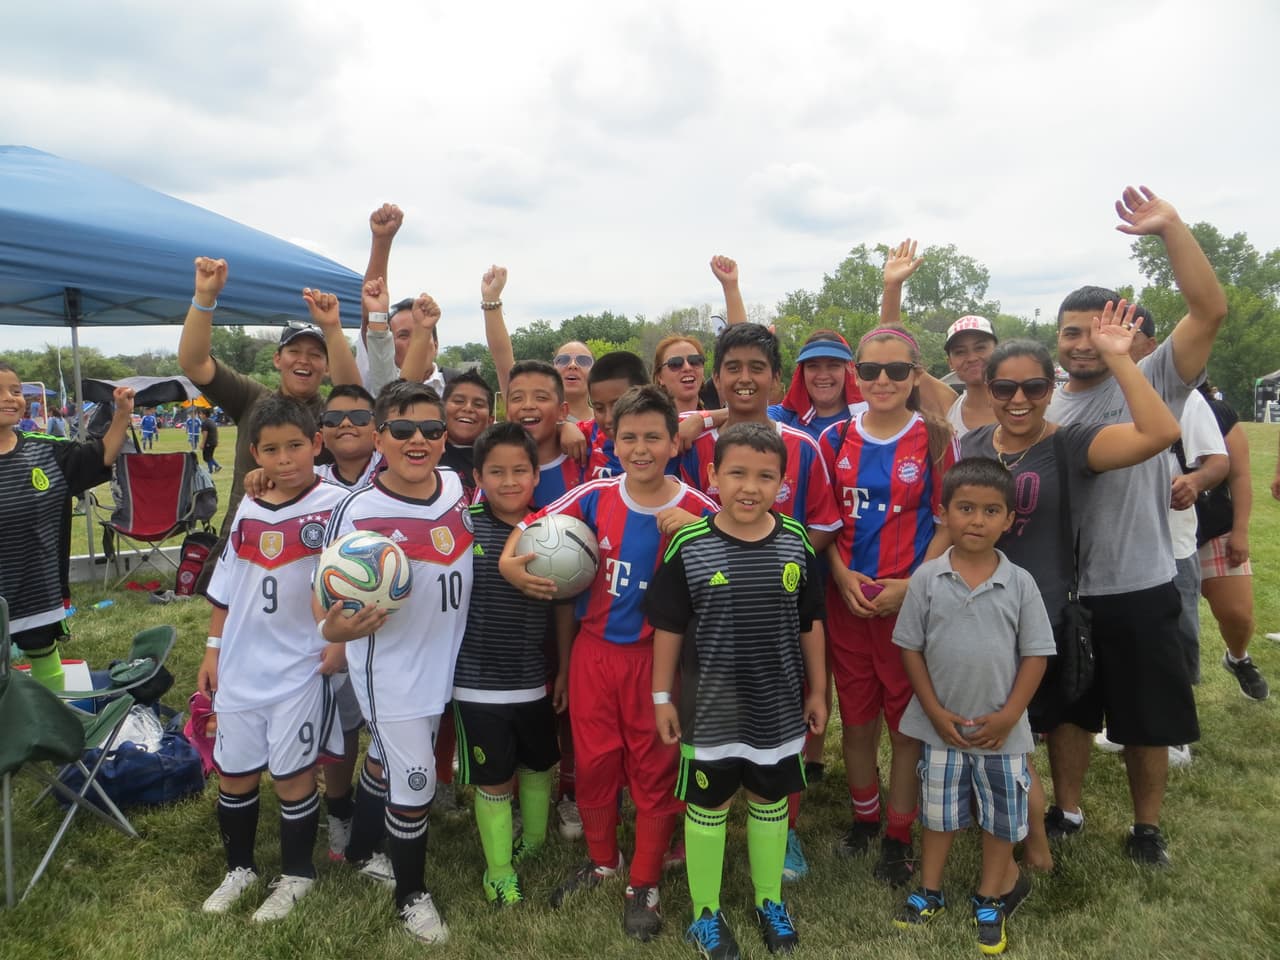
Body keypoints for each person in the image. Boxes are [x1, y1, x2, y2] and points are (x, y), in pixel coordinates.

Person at [1043, 184, 1227, 867]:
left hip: (1140, 578)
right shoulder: (1040, 397)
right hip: (1065, 589)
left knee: (1147, 717)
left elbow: (1210, 310)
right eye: (1072, 331)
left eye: (1099, 327)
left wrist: (1172, 228)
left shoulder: (1149, 376)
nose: (1085, 341)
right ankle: (1067, 809)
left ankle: (1146, 826)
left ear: (1123, 329)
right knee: (1068, 713)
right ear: (1055, 338)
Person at [960, 317, 1182, 870]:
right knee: (993, 729)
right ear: (988, 390)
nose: (1018, 399)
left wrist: (1121, 358)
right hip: (977, 610)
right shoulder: (968, 443)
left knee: (1025, 731)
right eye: (1004, 387)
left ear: (1051, 388)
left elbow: (1159, 434)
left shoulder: (1071, 443)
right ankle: (1009, 825)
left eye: (1034, 387)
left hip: (1044, 616)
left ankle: (1033, 844)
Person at [500, 385, 717, 942]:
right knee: (595, 764)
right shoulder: (596, 495)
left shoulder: (698, 509)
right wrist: (509, 562)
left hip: (658, 663)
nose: (640, 448)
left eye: (652, 437)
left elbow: (736, 554)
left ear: (675, 442)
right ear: (611, 441)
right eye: (628, 438)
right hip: (596, 653)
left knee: (652, 770)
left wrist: (692, 535)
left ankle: (643, 881)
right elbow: (531, 525)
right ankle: (603, 861)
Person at [648, 422, 828, 958]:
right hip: (712, 706)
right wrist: (662, 696)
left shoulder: (795, 542)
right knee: (709, 801)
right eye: (737, 474)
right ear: (713, 476)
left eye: (765, 476)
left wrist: (818, 690)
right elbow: (669, 627)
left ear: (782, 484)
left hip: (776, 701)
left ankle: (769, 900)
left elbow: (811, 621)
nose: (750, 487)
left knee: (771, 799)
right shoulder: (689, 543)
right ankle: (706, 912)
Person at [680, 322, 842, 880]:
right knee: (709, 731)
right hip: (711, 623)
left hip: (776, 622)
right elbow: (678, 516)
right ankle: (702, 827)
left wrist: (776, 563)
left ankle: (785, 833)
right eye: (733, 367)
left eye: (757, 368)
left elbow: (822, 524)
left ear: (776, 379)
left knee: (780, 728)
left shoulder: (803, 447)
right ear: (716, 377)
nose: (744, 378)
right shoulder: (694, 445)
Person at [321, 379, 473, 944]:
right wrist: (336, 629)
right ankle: (412, 897)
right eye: (403, 430)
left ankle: (360, 850)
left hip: (447, 659)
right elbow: (326, 604)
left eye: (431, 430)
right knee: (416, 781)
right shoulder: (359, 509)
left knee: (386, 762)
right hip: (393, 672)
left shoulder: (456, 484)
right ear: (379, 436)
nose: (419, 440)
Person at [891, 458, 1054, 956]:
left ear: (1008, 520)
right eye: (965, 508)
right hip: (941, 727)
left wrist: (1009, 716)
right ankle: (930, 890)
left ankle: (991, 896)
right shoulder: (927, 579)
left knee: (1001, 820)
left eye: (990, 511)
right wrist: (934, 710)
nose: (977, 520)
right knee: (938, 816)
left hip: (1002, 732)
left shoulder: (1021, 583)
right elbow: (910, 648)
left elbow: (1036, 655)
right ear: (944, 513)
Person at [197, 396, 351, 922]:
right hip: (241, 662)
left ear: (317, 444)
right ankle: (238, 868)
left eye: (294, 446)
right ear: (255, 455)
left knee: (293, 776)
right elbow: (229, 583)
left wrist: (339, 641)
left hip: (300, 665)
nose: (284, 460)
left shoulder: (340, 506)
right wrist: (213, 647)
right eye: (270, 450)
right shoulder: (249, 502)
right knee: (234, 773)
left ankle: (296, 874)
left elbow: (351, 582)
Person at [818, 324, 958, 888]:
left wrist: (914, 584)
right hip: (847, 600)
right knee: (856, 722)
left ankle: (898, 835)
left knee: (904, 729)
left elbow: (948, 522)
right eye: (871, 370)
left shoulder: (936, 438)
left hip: (909, 606)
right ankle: (865, 818)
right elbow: (825, 525)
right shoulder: (833, 441)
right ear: (856, 375)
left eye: (896, 371)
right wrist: (841, 574)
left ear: (915, 376)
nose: (882, 380)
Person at [177, 256, 362, 594]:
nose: (304, 360)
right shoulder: (251, 397)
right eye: (295, 351)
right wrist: (204, 299)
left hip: (312, 544)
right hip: (248, 538)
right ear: (278, 359)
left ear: (327, 366)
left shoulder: (333, 414)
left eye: (316, 354)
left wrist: (333, 328)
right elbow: (194, 362)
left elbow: (356, 397)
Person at [453, 422, 564, 907]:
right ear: (478, 476)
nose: (509, 480)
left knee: (539, 765)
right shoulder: (461, 526)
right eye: (496, 471)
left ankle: (536, 843)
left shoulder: (552, 531)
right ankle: (499, 871)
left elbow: (563, 605)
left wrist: (562, 668)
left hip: (533, 682)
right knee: (494, 778)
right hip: (477, 686)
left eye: (520, 470)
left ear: (536, 475)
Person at [0, 362, 133, 691]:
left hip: (37, 592)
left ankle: (51, 726)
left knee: (46, 664)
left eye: (16, 391)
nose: (10, 398)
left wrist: (121, 413)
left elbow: (100, 456)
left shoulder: (45, 451)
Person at [1192, 384, 1269, 700]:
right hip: (1153, 532)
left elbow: (1239, 475)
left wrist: (1240, 531)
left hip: (1212, 524)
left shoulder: (1216, 411)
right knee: (1163, 633)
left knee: (1238, 614)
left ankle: (1238, 657)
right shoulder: (1130, 398)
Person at [358, 204, 459, 395]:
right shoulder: (378, 385)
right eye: (403, 336)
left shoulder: (458, 391)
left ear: (436, 345)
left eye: (422, 333)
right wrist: (382, 241)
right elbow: (371, 315)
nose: (415, 343)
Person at [768, 331, 866, 441]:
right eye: (813, 366)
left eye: (833, 366)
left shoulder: (867, 420)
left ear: (848, 370)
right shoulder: (784, 417)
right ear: (801, 373)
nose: (823, 376)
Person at [440, 371, 496, 495]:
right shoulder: (426, 451)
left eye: (478, 404)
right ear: (441, 410)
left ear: (490, 421)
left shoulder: (497, 460)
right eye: (459, 401)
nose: (468, 408)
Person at [942, 316, 999, 438]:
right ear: (950, 362)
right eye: (960, 352)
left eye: (980, 348)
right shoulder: (948, 408)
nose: (972, 358)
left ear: (998, 350)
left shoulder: (1030, 402)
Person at [653, 334, 708, 416]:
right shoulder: (650, 426)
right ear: (660, 377)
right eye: (675, 363)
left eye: (695, 361)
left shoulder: (722, 425)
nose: (688, 368)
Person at [199, 407, 221, 472]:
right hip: (213, 442)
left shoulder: (205, 423)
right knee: (209, 457)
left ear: (204, 415)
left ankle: (211, 469)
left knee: (207, 457)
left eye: (201, 414)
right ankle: (216, 466)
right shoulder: (211, 421)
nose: (200, 415)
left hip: (209, 442)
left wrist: (203, 443)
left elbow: (205, 434)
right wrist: (216, 441)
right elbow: (216, 431)